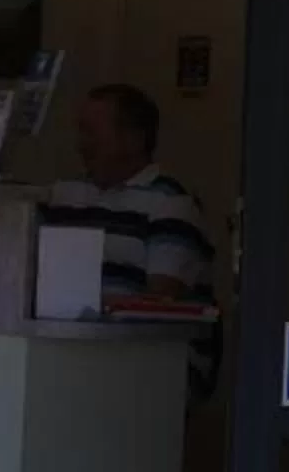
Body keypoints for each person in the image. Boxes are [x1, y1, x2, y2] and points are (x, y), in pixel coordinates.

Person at [48, 83, 215, 310]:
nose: (81, 144)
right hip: (60, 340)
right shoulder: (65, 193)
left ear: (134, 140)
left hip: (137, 344)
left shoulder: (171, 204)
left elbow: (160, 303)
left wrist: (87, 306)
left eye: (92, 133)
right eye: (81, 131)